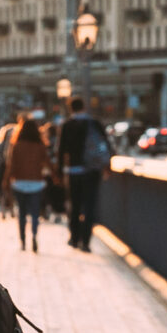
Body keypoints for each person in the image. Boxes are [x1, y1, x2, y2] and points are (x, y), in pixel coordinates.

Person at [57, 97, 103, 252]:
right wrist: (106, 166)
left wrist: (59, 170)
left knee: (75, 206)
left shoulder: (67, 125)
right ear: (84, 106)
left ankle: (74, 238)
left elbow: (61, 150)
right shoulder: (94, 123)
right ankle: (86, 242)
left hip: (73, 171)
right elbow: (105, 145)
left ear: (71, 109)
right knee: (89, 207)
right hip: (91, 171)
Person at [5, 113, 51, 252]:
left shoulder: (17, 146)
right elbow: (47, 163)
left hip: (19, 183)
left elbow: (11, 165)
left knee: (22, 213)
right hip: (36, 183)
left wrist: (6, 181)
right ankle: (34, 235)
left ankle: (23, 240)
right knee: (35, 212)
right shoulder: (40, 146)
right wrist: (55, 176)